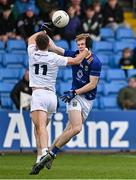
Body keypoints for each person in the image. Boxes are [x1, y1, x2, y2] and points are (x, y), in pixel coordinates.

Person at [33, 33, 102, 174]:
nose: (80, 47)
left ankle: (49, 154)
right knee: (77, 128)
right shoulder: (75, 54)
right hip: (74, 96)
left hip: (87, 98)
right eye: (78, 44)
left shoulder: (95, 62)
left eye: (82, 44)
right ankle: (51, 154)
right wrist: (45, 33)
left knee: (68, 131)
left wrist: (76, 92)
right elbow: (55, 48)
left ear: (89, 45)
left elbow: (92, 84)